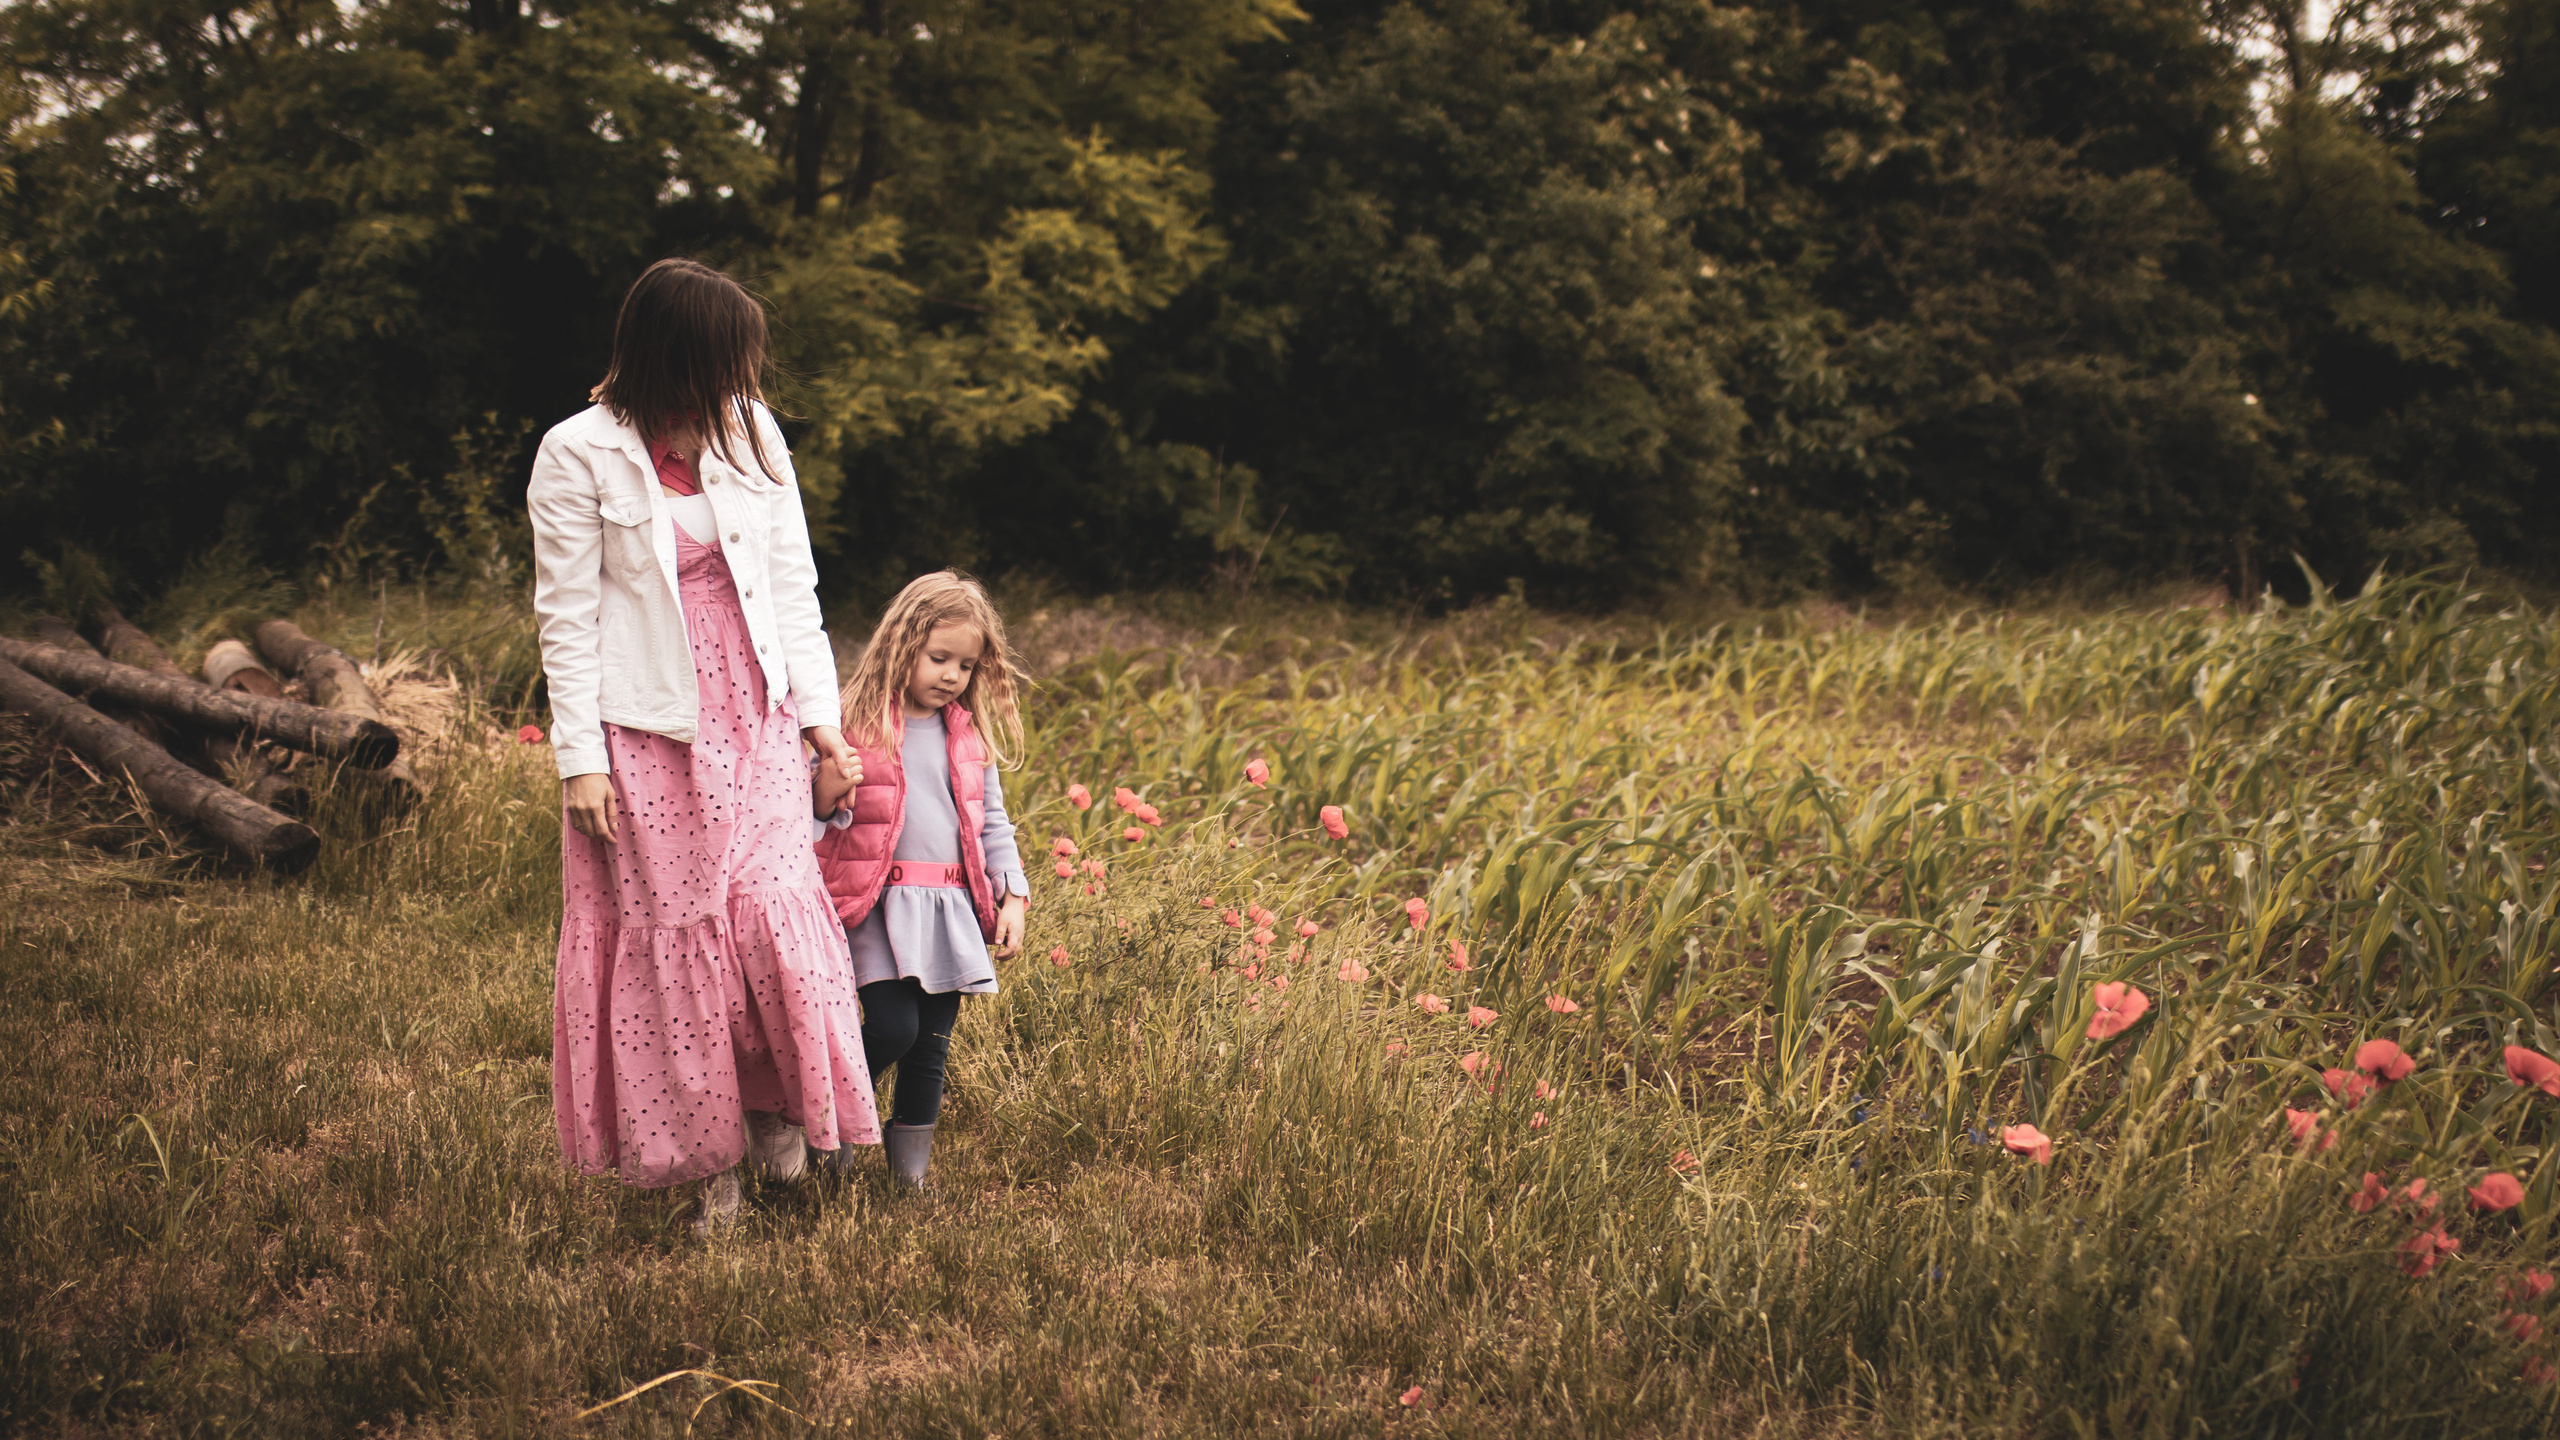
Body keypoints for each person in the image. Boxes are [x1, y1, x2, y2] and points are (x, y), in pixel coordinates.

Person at [528, 257, 878, 1235]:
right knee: (677, 939)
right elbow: (565, 618)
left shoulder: (750, 431)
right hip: (649, 734)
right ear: (674, 356)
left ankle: (778, 1120)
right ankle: (705, 1164)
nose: (741, 384)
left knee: (772, 923)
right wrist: (580, 760)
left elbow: (797, 590)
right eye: (725, 363)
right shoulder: (577, 452)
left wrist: (824, 728)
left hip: (759, 717)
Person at [811, 571, 1031, 1191]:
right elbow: (814, 815)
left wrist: (1012, 894)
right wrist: (824, 793)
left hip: (950, 908)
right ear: (901, 646)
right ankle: (830, 1122)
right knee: (890, 1027)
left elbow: (992, 822)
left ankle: (908, 1180)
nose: (951, 676)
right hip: (875, 905)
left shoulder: (968, 738)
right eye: (939, 658)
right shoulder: (856, 724)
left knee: (929, 1044)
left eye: (965, 665)